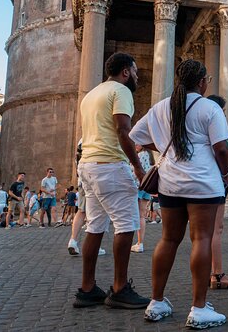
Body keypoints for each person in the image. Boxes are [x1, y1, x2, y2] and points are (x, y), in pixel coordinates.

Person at [129, 59, 228, 327]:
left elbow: (134, 136)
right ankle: (198, 308)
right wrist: (225, 172)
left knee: (168, 240)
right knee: (202, 240)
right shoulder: (210, 107)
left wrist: (163, 145)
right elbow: (221, 148)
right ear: (202, 82)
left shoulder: (161, 107)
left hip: (170, 184)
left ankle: (157, 302)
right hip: (203, 183)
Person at [73, 52, 149, 310]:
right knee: (126, 225)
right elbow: (122, 129)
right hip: (110, 165)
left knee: (94, 226)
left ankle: (87, 288)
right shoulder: (122, 91)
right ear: (125, 71)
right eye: (135, 71)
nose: (137, 76)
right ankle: (119, 288)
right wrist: (138, 167)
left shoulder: (91, 95)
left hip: (88, 166)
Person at [205, 94, 228, 291]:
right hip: (215, 181)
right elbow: (222, 151)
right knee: (215, 230)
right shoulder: (216, 125)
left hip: (199, 181)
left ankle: (207, 273)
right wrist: (226, 174)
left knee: (203, 232)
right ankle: (217, 274)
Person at [67, 140, 105, 257]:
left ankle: (73, 240)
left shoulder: (81, 141)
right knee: (97, 213)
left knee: (81, 211)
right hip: (96, 178)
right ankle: (94, 245)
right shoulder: (97, 137)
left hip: (82, 180)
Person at [131, 145, 153, 253]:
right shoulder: (149, 155)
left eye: (137, 143)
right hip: (147, 187)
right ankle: (140, 243)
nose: (135, 145)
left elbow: (136, 172)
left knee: (135, 215)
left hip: (139, 186)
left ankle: (138, 243)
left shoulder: (140, 155)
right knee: (142, 215)